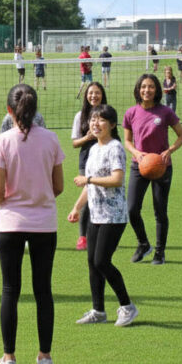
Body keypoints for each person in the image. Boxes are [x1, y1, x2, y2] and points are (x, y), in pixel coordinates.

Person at [0, 84, 64, 364]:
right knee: (43, 290)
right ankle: (45, 359)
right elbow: (58, 186)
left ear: (9, 110)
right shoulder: (52, 139)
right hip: (44, 223)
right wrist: (38, 197)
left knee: (10, 289)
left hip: (11, 224)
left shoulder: (1, 141)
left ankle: (9, 360)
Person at [68, 104, 137, 327]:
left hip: (113, 215)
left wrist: (88, 180)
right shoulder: (94, 149)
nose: (95, 123)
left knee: (102, 261)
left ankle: (127, 306)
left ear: (112, 125)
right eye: (93, 120)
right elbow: (88, 186)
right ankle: (98, 310)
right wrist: (77, 208)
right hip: (95, 214)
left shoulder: (115, 147)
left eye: (101, 120)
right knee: (92, 262)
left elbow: (117, 179)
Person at [122, 74, 182, 265]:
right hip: (138, 165)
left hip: (161, 167)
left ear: (157, 90)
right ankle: (143, 244)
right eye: (143, 87)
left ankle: (160, 252)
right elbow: (127, 140)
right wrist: (137, 152)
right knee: (132, 209)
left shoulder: (165, 112)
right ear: (138, 90)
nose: (147, 90)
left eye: (151, 87)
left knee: (160, 211)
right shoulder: (131, 113)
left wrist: (169, 150)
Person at [71, 83, 107, 251]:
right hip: (87, 160)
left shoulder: (108, 113)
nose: (94, 96)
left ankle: (100, 232)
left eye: (97, 93)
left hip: (105, 160)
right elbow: (74, 143)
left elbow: (115, 137)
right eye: (91, 93)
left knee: (103, 196)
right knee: (89, 196)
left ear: (102, 95)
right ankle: (83, 236)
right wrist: (87, 138)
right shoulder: (81, 115)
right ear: (86, 95)